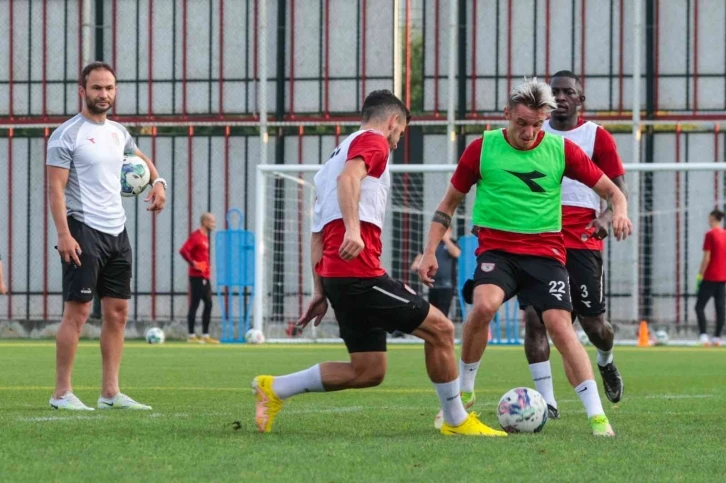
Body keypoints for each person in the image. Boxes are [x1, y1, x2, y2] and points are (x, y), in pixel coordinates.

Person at [251, 90, 506, 437]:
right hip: (358, 272)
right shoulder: (373, 141)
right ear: (393, 121)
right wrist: (353, 230)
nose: (397, 141)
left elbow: (317, 234)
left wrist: (319, 289)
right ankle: (456, 420)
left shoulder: (331, 162)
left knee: (368, 369)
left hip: (337, 275)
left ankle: (274, 388)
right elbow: (349, 180)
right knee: (442, 329)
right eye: (400, 133)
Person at [418, 78, 632, 436]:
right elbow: (448, 205)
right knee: (484, 306)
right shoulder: (482, 148)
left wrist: (620, 211)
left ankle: (598, 418)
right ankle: (465, 393)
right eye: (521, 123)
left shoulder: (561, 150)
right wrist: (429, 252)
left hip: (545, 253)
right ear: (507, 114)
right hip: (497, 250)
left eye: (536, 124)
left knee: (560, 326)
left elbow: (613, 191)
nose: (529, 133)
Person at [46, 61, 167, 411]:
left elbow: (139, 157)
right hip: (82, 229)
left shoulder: (118, 132)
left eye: (109, 88)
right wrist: (64, 234)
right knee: (78, 312)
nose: (104, 94)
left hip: (117, 231)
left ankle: (110, 394)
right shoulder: (66, 135)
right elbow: (55, 189)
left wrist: (158, 182)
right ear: (82, 91)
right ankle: (61, 393)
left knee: (118, 313)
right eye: (97, 88)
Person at [520, 70, 628, 418]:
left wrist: (607, 218)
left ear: (580, 99)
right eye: (556, 91)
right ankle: (547, 403)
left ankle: (606, 360)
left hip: (583, 239)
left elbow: (618, 190)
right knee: (536, 319)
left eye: (568, 92)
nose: (561, 97)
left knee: (595, 327)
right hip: (540, 237)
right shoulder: (533, 133)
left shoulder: (596, 137)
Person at [180, 212, 218, 344]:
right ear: (205, 222)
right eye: (212, 222)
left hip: (205, 276)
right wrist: (193, 263)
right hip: (197, 276)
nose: (214, 224)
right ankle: (191, 335)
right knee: (195, 304)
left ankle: (205, 335)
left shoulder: (205, 237)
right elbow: (183, 250)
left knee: (209, 303)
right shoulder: (196, 236)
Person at [411, 226, 461, 319]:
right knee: (432, 312)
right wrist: (417, 264)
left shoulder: (453, 243)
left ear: (450, 231)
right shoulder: (432, 245)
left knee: (443, 313)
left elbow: (456, 253)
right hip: (433, 284)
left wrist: (446, 239)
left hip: (447, 285)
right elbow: (418, 260)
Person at [695, 209, 726, 347]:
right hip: (723, 277)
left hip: (710, 276)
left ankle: (703, 336)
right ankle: (717, 337)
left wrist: (700, 274)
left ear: (713, 218)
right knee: (720, 308)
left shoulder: (710, 234)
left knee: (699, 306)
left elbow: (707, 257)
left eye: (709, 218)